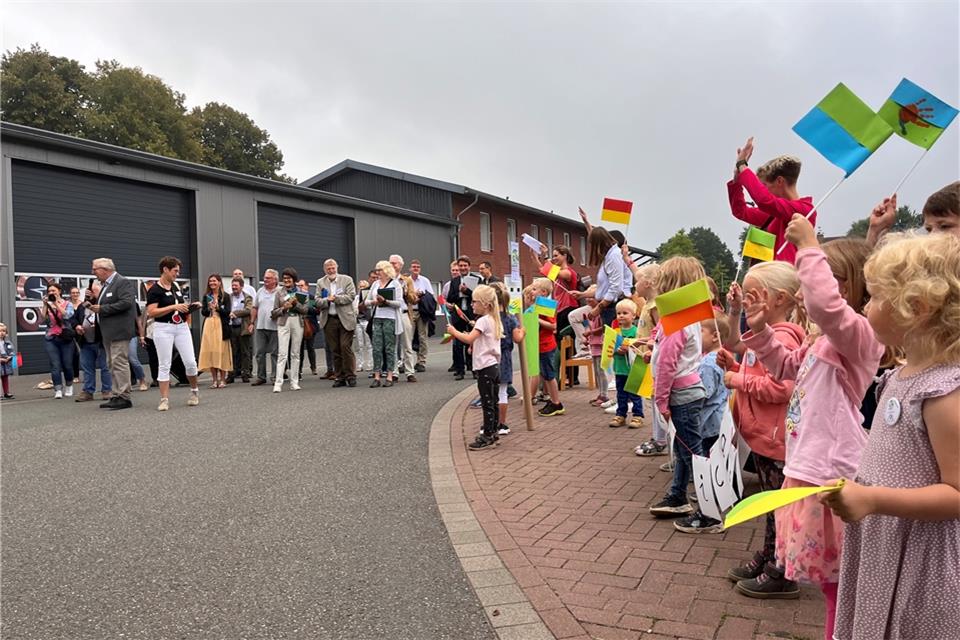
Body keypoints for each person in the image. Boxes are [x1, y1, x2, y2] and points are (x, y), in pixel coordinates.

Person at [741, 217, 883, 638]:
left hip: (833, 472)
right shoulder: (821, 340)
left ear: (849, 286)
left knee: (841, 586)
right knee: (831, 586)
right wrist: (761, 330)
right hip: (809, 467)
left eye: (823, 274)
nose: (807, 288)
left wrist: (808, 246)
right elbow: (787, 368)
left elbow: (827, 307)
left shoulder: (859, 336)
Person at [820, 232, 960, 640]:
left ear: (915, 308)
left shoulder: (944, 392)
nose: (865, 306)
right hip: (884, 542)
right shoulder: (899, 377)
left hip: (919, 555)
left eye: (876, 297)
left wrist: (872, 498)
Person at [718, 261, 805, 595]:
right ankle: (770, 555)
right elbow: (759, 373)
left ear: (779, 299)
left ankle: (782, 569)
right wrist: (737, 365)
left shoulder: (784, 337)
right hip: (765, 436)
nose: (748, 302)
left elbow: (782, 388)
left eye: (754, 295)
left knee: (779, 506)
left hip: (777, 437)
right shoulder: (769, 335)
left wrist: (736, 378)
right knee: (771, 505)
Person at [648, 256, 708, 518]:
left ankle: (708, 507)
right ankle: (677, 496)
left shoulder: (677, 320)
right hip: (688, 391)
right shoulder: (687, 317)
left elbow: (666, 364)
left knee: (691, 451)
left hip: (680, 394)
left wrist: (660, 400)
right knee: (684, 448)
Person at [674, 311, 731, 534]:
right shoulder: (721, 357)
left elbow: (703, 393)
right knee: (709, 461)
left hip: (707, 423)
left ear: (715, 336)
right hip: (716, 421)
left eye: (701, 331)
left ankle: (709, 513)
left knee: (702, 463)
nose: (697, 336)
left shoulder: (708, 363)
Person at [727, 138, 814, 265]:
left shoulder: (804, 210)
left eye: (764, 185)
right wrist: (736, 180)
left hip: (790, 280)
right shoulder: (775, 214)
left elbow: (763, 200)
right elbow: (740, 211)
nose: (762, 190)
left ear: (779, 181)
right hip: (774, 278)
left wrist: (742, 165)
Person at [447, 285, 503, 450]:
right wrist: (475, 345)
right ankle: (493, 432)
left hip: (485, 368)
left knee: (487, 403)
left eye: (474, 302)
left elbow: (469, 338)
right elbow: (484, 341)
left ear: (485, 304)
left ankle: (486, 435)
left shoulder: (483, 321)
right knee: (493, 401)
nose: (472, 305)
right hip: (494, 366)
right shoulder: (494, 320)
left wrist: (454, 332)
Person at [146, 256, 201, 411]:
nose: (177, 274)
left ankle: (194, 391)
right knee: (164, 364)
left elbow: (180, 306)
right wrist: (173, 308)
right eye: (175, 271)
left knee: (190, 362)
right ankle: (164, 399)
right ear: (165, 269)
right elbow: (152, 312)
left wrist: (190, 308)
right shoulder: (155, 290)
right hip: (163, 328)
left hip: (181, 327)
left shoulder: (176, 286)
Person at [89, 258, 137, 410]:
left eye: (95, 269)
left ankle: (124, 396)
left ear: (105, 269)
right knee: (112, 363)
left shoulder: (122, 282)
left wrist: (102, 309)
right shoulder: (106, 285)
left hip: (119, 331)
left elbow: (126, 303)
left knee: (119, 362)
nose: (93, 272)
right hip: (108, 332)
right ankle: (116, 394)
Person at [866, 181, 959, 246]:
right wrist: (876, 230)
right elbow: (869, 271)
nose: (932, 236)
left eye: (945, 226)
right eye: (928, 229)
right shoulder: (921, 267)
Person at [315, 259, 358, 388]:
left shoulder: (347, 279)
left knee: (345, 347)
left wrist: (336, 298)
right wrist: (327, 300)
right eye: (328, 268)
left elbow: (351, 296)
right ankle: (340, 376)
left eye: (333, 268)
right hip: (329, 319)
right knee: (335, 349)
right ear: (325, 270)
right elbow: (316, 301)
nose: (331, 270)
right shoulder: (320, 282)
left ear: (337, 268)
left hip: (345, 318)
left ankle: (350, 376)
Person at [529, 278, 565, 417]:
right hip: (539, 344)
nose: (532, 292)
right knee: (546, 374)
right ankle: (553, 400)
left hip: (546, 345)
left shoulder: (546, 306)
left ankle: (556, 403)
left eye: (534, 289)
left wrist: (536, 319)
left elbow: (553, 326)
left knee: (549, 375)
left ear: (543, 292)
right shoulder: (537, 305)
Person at [491, 284, 524, 436]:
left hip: (490, 356)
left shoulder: (488, 318)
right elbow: (517, 338)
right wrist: (522, 331)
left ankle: (490, 422)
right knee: (502, 392)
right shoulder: (510, 319)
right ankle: (502, 423)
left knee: (490, 392)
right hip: (504, 357)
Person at [364, 261, 402, 387]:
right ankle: (377, 376)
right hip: (377, 318)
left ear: (386, 270)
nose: (377, 272)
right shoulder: (375, 284)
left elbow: (399, 303)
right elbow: (366, 301)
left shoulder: (395, 284)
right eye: (377, 270)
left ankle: (390, 375)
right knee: (377, 347)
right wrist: (374, 302)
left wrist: (386, 300)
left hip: (390, 318)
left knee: (389, 347)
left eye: (379, 270)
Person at [73, 282, 112, 402]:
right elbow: (73, 319)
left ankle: (107, 390)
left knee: (105, 367)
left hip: (101, 341)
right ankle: (88, 391)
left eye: (93, 291)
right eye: (88, 292)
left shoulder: (104, 305)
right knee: (87, 368)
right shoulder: (82, 306)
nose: (89, 293)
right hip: (85, 341)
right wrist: (77, 326)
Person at [608, 298, 644, 429]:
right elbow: (609, 349)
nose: (621, 316)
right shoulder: (615, 332)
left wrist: (629, 348)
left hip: (633, 369)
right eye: (618, 313)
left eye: (625, 313)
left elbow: (640, 348)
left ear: (633, 315)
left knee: (635, 394)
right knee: (621, 394)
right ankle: (621, 415)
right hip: (619, 369)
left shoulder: (636, 331)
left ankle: (638, 415)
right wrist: (616, 351)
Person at [270, 267, 307, 393]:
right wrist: (284, 308)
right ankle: (278, 383)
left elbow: (306, 310)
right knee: (282, 353)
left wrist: (296, 304)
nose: (286, 280)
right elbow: (273, 313)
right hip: (283, 322)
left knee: (295, 353)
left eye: (288, 278)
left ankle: (294, 382)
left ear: (294, 280)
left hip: (297, 321)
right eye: (284, 278)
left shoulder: (301, 292)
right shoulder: (279, 293)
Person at [38, 282, 76, 399]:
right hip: (51, 338)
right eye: (49, 291)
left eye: (53, 291)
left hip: (65, 338)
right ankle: (58, 389)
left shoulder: (68, 303)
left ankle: (69, 385)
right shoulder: (48, 304)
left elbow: (67, 316)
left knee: (67, 364)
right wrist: (45, 305)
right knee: (55, 365)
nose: (51, 293)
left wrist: (56, 304)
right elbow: (42, 319)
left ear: (59, 291)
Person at [198, 274, 233, 388]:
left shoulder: (226, 296)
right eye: (210, 281)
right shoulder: (206, 296)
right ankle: (214, 380)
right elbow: (203, 312)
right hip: (209, 323)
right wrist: (208, 308)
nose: (212, 283)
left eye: (214, 281)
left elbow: (227, 312)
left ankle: (222, 379)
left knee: (221, 351)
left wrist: (217, 308)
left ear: (219, 282)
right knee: (211, 351)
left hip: (221, 325)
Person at [389, 254, 418, 382]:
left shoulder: (407, 280)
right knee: (393, 344)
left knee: (407, 344)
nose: (392, 265)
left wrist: (406, 291)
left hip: (404, 312)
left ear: (400, 265)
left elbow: (413, 299)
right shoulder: (387, 279)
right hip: (391, 313)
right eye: (390, 263)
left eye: (395, 263)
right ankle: (394, 372)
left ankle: (409, 372)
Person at [446, 256, 475, 380]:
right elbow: (450, 298)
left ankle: (474, 369)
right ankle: (460, 370)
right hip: (458, 315)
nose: (463, 268)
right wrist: (458, 292)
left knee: (472, 343)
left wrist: (467, 291)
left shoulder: (476, 279)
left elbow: (479, 296)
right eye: (461, 266)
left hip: (471, 315)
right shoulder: (454, 281)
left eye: (465, 265)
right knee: (458, 344)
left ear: (469, 266)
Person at [586, 227, 623, 327]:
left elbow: (616, 287)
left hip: (610, 307)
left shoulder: (614, 256)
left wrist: (598, 308)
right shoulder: (609, 256)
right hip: (607, 307)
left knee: (611, 340)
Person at [250, 269, 280, 386]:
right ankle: (261, 377)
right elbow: (254, 307)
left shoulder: (280, 291)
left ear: (275, 280)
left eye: (268, 278)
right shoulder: (260, 291)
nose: (265, 280)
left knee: (275, 353)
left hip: (276, 327)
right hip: (260, 326)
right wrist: (252, 322)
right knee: (259, 352)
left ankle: (274, 377)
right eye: (265, 277)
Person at [226, 277, 254, 383]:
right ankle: (231, 374)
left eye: (236, 286)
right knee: (232, 352)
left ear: (241, 286)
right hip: (232, 327)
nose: (234, 288)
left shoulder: (248, 297)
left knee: (245, 352)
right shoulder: (228, 297)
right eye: (233, 286)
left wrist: (235, 313)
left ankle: (245, 374)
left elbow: (248, 310)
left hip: (243, 328)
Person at [409, 259, 434, 372]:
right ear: (410, 268)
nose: (416, 269)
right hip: (410, 311)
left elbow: (431, 297)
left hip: (422, 311)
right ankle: (407, 362)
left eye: (418, 267)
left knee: (422, 337)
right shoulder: (406, 281)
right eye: (414, 267)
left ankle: (421, 361)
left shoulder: (425, 281)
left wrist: (422, 295)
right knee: (408, 337)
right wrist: (413, 295)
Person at [584, 298, 609, 407]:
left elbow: (602, 328)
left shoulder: (601, 314)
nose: (588, 299)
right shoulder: (590, 314)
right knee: (597, 371)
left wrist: (591, 332)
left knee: (601, 370)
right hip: (593, 344)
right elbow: (588, 326)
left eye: (591, 297)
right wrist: (588, 337)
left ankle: (604, 394)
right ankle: (600, 393)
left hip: (600, 344)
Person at [354, 270, 376, 373]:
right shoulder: (355, 298)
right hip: (358, 321)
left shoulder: (370, 294)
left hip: (367, 320)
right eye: (360, 287)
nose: (361, 288)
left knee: (369, 344)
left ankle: (370, 364)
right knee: (359, 345)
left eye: (363, 287)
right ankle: (359, 364)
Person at [296, 279, 319, 378]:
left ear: (307, 286)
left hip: (310, 325)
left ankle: (313, 367)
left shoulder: (311, 297)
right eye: (298, 286)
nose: (300, 287)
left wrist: (305, 307)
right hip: (298, 324)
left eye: (302, 285)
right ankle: (299, 369)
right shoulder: (295, 297)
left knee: (310, 347)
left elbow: (316, 311)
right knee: (299, 349)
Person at [129, 304, 148, 391]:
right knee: (121, 361)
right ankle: (126, 383)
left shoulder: (133, 304)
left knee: (133, 359)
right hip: (118, 334)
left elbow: (138, 320)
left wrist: (141, 336)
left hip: (131, 334)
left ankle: (142, 380)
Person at [0, 323, 15, 399]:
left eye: (3, 331)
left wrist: (10, 357)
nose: (2, 333)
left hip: (6, 361)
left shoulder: (8, 343)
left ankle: (6, 392)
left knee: (5, 377)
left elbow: (11, 351)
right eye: (0, 331)